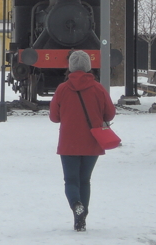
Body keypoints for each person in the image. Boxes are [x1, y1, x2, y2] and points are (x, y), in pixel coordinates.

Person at [48, 50, 117, 231]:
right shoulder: (98, 88)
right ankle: (81, 220)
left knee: (71, 180)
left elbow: (54, 117)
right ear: (88, 67)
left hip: (68, 141)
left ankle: (76, 205)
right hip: (92, 140)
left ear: (70, 67)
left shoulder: (62, 89)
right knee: (85, 180)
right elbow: (110, 113)